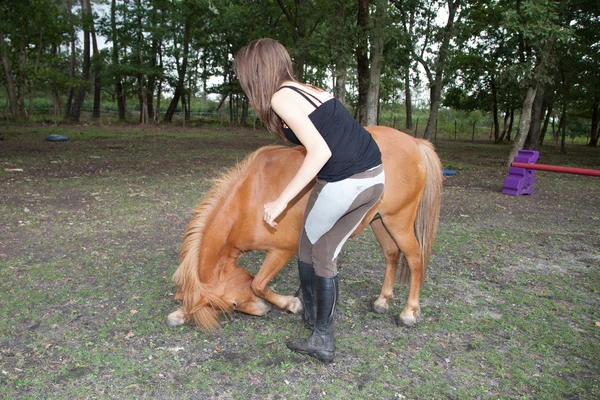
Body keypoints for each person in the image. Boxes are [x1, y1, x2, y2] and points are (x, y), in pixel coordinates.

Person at [234, 38, 384, 364]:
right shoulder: (304, 89)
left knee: (317, 251)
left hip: (346, 180)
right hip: (372, 177)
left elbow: (320, 151)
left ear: (255, 72)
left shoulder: (280, 98)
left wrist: (281, 202)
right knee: (313, 247)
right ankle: (314, 321)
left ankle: (321, 337)